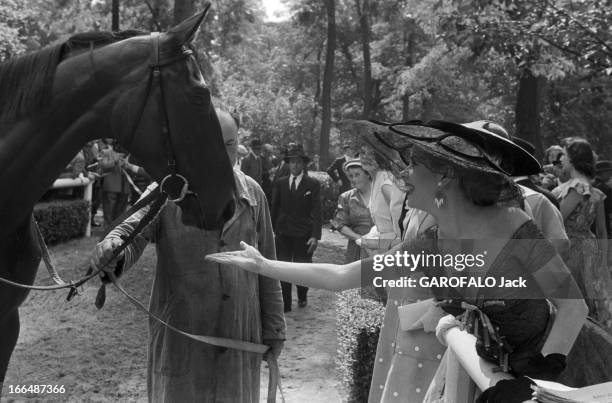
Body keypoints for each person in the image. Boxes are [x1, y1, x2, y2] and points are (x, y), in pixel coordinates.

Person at [208, 119, 588, 403]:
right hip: (479, 379)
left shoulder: (515, 224)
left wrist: (538, 376)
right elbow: (342, 275)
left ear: (444, 178)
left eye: (414, 166)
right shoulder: (428, 245)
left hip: (545, 381)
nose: (403, 174)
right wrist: (264, 265)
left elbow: (573, 306)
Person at [90, 109, 286, 402]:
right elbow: (130, 235)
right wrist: (112, 251)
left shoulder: (254, 195)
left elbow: (269, 266)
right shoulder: (166, 192)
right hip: (182, 342)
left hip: (240, 340)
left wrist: (274, 328)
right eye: (212, 143)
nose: (221, 153)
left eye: (230, 144)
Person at [552, 138, 612, 329]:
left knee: (572, 303)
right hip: (590, 251)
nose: (562, 159)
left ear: (573, 159)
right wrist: (603, 263)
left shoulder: (577, 187)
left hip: (571, 251)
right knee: (592, 303)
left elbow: (557, 218)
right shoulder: (594, 191)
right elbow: (602, 231)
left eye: (565, 155)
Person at [271, 143, 322, 312]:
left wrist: (315, 236)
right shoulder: (280, 183)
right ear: (288, 163)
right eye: (292, 162)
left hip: (303, 234)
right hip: (283, 232)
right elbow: (274, 208)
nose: (295, 165)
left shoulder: (312, 184)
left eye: (298, 162)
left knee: (302, 267)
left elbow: (317, 211)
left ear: (303, 164)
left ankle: (302, 295)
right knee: (283, 267)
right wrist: (270, 231)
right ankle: (285, 303)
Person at [359, 145, 405, 254]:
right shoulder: (375, 179)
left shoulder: (386, 183)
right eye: (362, 152)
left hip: (392, 249)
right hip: (381, 246)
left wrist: (377, 245)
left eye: (371, 153)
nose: (366, 157)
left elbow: (403, 228)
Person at [330, 159, 374, 263]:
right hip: (357, 249)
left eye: (357, 174)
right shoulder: (346, 197)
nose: (353, 179)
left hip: (383, 247)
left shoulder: (383, 194)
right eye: (350, 176)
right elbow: (340, 224)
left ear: (368, 174)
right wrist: (360, 239)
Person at [593, 160, 612, 238]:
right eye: (609, 172)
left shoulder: (588, 185)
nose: (610, 175)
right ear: (604, 173)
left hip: (590, 227)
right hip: (604, 229)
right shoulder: (606, 189)